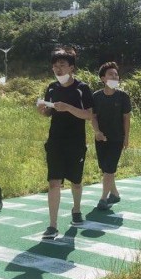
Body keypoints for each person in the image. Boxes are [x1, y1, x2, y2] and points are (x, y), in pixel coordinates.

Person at [37, 47, 93, 240]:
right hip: (55, 140)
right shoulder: (52, 88)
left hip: (76, 141)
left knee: (75, 181)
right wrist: (43, 110)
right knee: (54, 182)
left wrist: (68, 107)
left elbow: (89, 115)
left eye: (62, 65)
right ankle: (52, 225)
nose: (58, 69)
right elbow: (49, 112)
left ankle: (76, 209)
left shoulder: (82, 88)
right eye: (55, 65)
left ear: (71, 67)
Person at [91, 61, 132, 210]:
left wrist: (126, 137)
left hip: (117, 138)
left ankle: (103, 198)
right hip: (101, 138)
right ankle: (114, 193)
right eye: (110, 74)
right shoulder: (96, 96)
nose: (114, 76)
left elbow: (126, 118)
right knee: (105, 168)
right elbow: (93, 117)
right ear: (103, 78)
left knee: (109, 169)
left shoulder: (123, 96)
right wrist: (97, 131)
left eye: (116, 74)